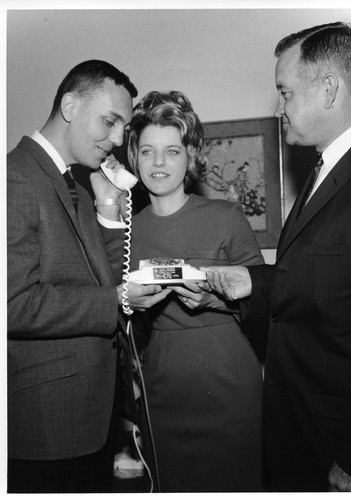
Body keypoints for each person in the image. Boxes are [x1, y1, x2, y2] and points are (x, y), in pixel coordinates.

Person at [203, 22, 351, 492]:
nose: (279, 108)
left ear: (328, 90)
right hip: (297, 434)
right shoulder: (322, 170)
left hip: (344, 449)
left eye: (285, 93)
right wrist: (255, 283)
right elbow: (337, 285)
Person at [7, 59, 171, 493]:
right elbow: (12, 303)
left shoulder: (74, 186)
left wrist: (110, 209)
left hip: (87, 421)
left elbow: (95, 277)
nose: (118, 139)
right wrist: (117, 299)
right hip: (46, 428)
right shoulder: (15, 178)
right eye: (111, 121)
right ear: (69, 105)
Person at [127, 90, 265, 492]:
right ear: (134, 156)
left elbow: (265, 301)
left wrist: (213, 298)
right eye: (148, 151)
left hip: (229, 386)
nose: (158, 163)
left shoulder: (226, 217)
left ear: (190, 156)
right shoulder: (127, 232)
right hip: (162, 388)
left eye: (172, 151)